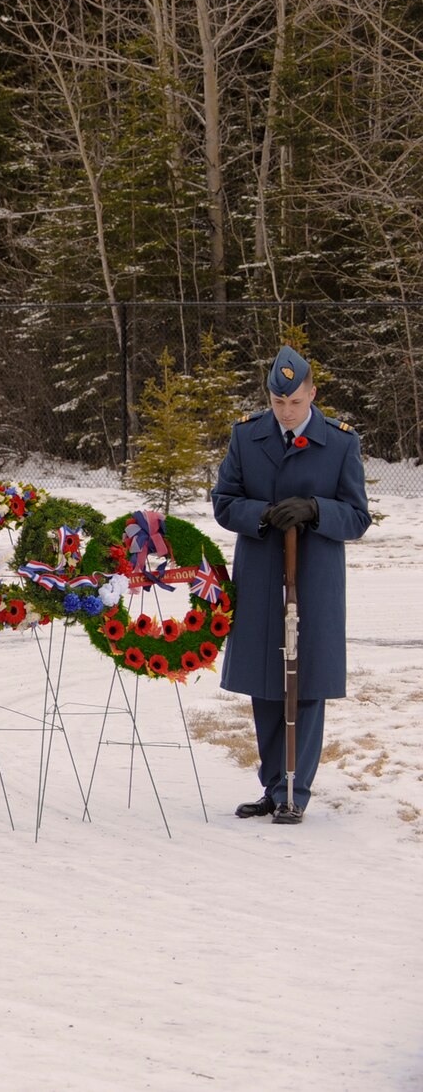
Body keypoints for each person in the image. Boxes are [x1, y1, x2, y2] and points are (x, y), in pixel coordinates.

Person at [210, 345, 370, 825]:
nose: (286, 412)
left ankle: (294, 791)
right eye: (279, 403)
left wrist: (318, 510)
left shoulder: (341, 443)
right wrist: (261, 514)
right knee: (266, 682)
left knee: (307, 682)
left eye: (295, 403)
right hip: (261, 575)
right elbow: (223, 501)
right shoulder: (246, 436)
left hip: (313, 580)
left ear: (312, 394)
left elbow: (359, 516)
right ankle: (271, 785)